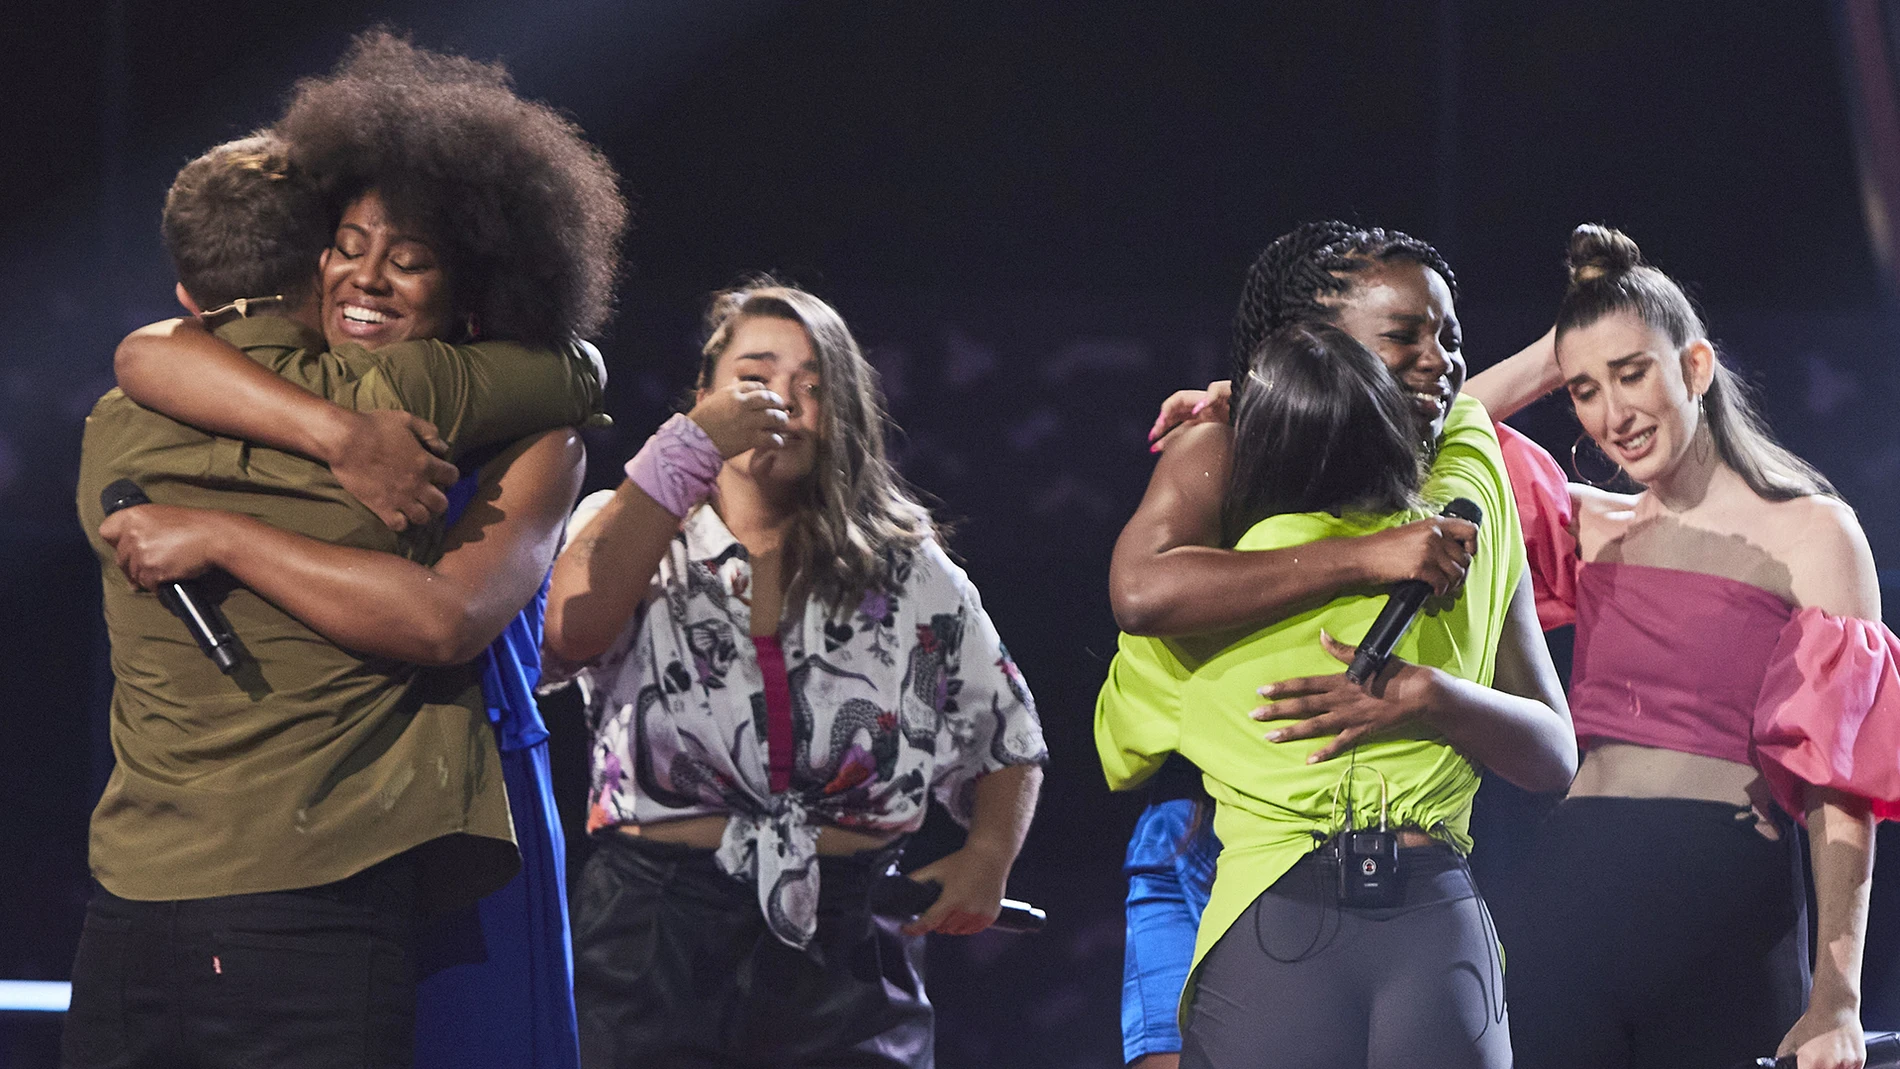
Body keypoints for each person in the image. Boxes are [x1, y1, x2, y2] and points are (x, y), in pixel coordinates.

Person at [67, 32, 625, 1069]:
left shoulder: (529, 434)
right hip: (312, 862)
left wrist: (225, 532)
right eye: (346, 245)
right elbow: (149, 348)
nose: (367, 277)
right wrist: (334, 435)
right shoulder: (260, 389)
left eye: (407, 260)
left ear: (473, 295)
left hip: (448, 805)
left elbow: (451, 618)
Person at [543, 280, 1047, 1068]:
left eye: (812, 385)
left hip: (849, 936)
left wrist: (988, 856)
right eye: (755, 375)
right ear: (704, 395)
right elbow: (564, 633)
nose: (782, 398)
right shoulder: (635, 523)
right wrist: (683, 451)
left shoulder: (907, 565)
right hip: (654, 931)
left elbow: (1007, 729)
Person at [1108, 222, 1573, 1069]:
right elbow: (1141, 590)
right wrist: (1364, 555)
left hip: (1438, 917)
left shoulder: (1472, 485)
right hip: (1270, 903)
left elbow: (1554, 752)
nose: (1440, 358)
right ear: (1315, 346)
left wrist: (1431, 697)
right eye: (1403, 335)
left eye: (1450, 336)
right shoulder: (1226, 453)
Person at [1464, 224, 1898, 1069]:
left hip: (1727, 909)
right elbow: (1432, 441)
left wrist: (1836, 994)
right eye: (1585, 390)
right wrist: (1565, 345)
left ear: (1694, 367)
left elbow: (1840, 784)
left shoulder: (1814, 531)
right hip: (1570, 899)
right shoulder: (1592, 525)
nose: (1612, 414)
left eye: (1632, 373)